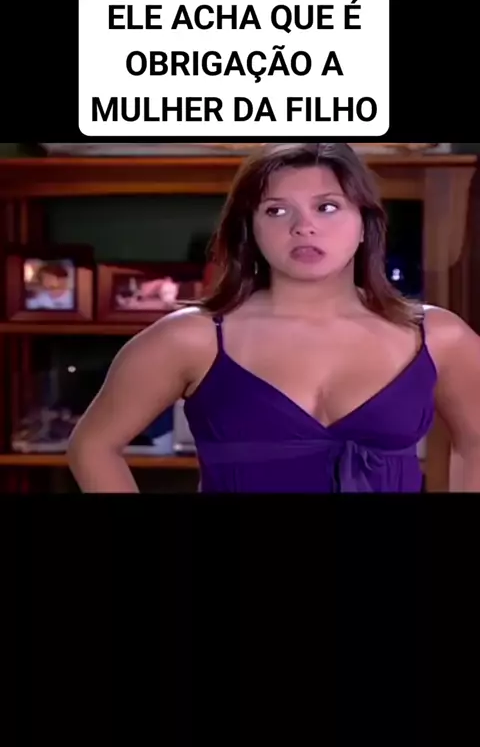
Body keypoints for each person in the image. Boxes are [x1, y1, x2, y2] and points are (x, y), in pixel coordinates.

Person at [66, 142, 480, 493]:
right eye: (277, 211)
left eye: (327, 207)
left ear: (363, 225)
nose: (304, 227)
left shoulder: (438, 337)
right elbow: (92, 446)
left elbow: (475, 443)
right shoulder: (191, 338)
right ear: (251, 230)